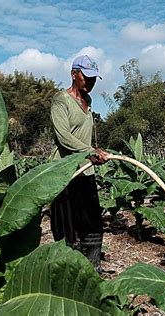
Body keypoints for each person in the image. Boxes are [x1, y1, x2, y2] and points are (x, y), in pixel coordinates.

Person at [49, 55, 108, 270]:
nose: (90, 82)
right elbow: (63, 136)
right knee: (65, 227)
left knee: (92, 222)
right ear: (74, 74)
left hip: (85, 171)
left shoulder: (88, 102)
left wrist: (92, 155)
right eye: (87, 77)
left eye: (94, 78)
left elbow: (83, 137)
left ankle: (93, 269)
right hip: (63, 172)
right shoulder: (61, 100)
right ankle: (67, 272)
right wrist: (90, 151)